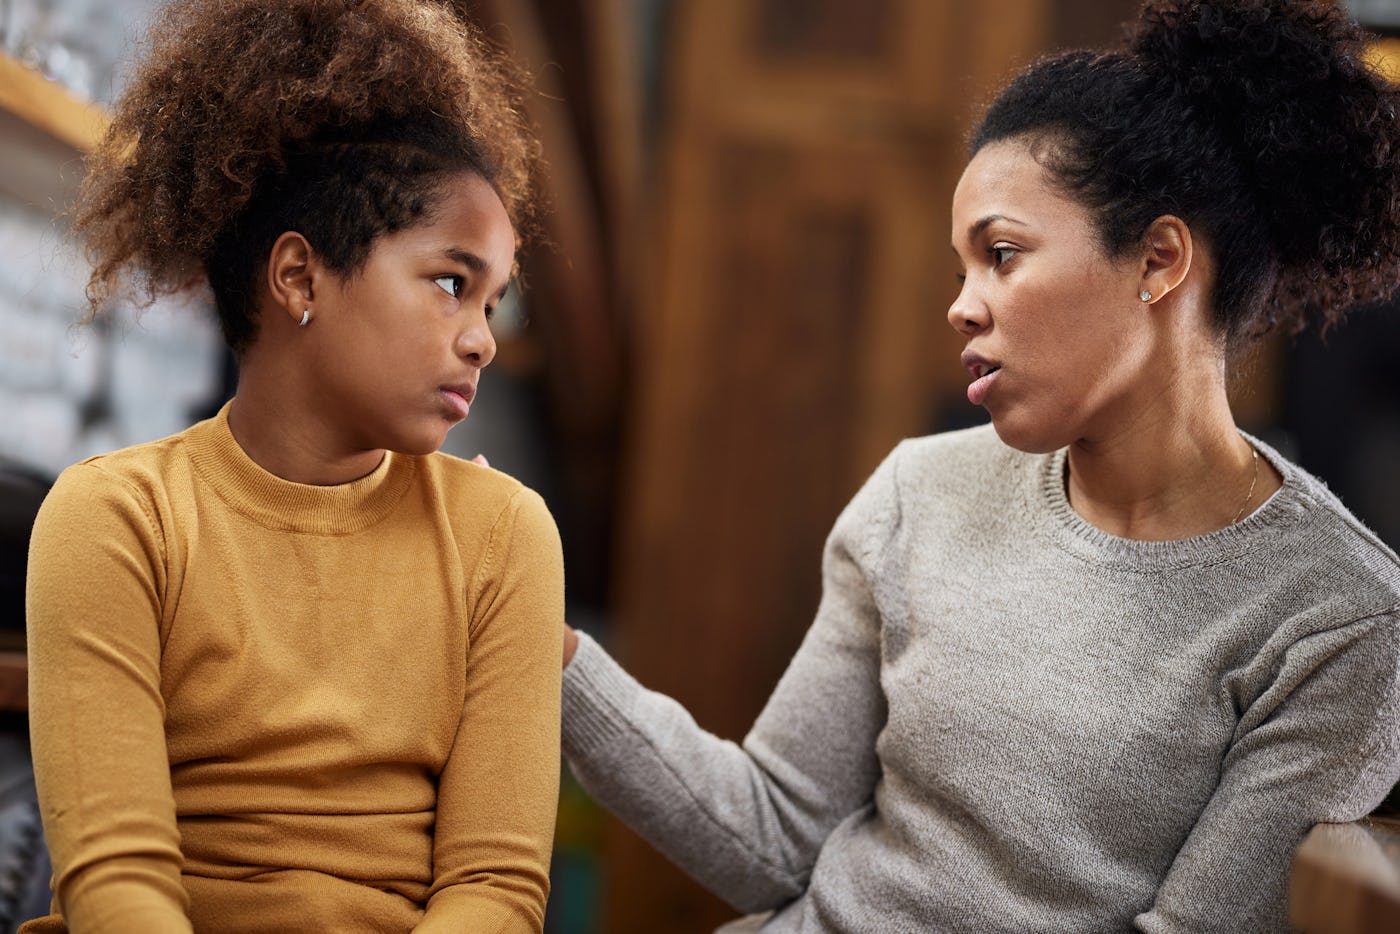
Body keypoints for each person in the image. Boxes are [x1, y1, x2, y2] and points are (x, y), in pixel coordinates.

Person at [558, 1, 1400, 931]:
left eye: (1002, 255)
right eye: (962, 271)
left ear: (1158, 259)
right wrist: (550, 660)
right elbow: (775, 839)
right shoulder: (920, 492)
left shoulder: (1342, 621)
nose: (962, 307)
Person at [23, 1, 564, 931]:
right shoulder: (114, 516)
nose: (479, 341)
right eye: (450, 282)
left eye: (493, 302)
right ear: (299, 278)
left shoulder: (505, 537)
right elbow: (117, 884)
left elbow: (496, 891)